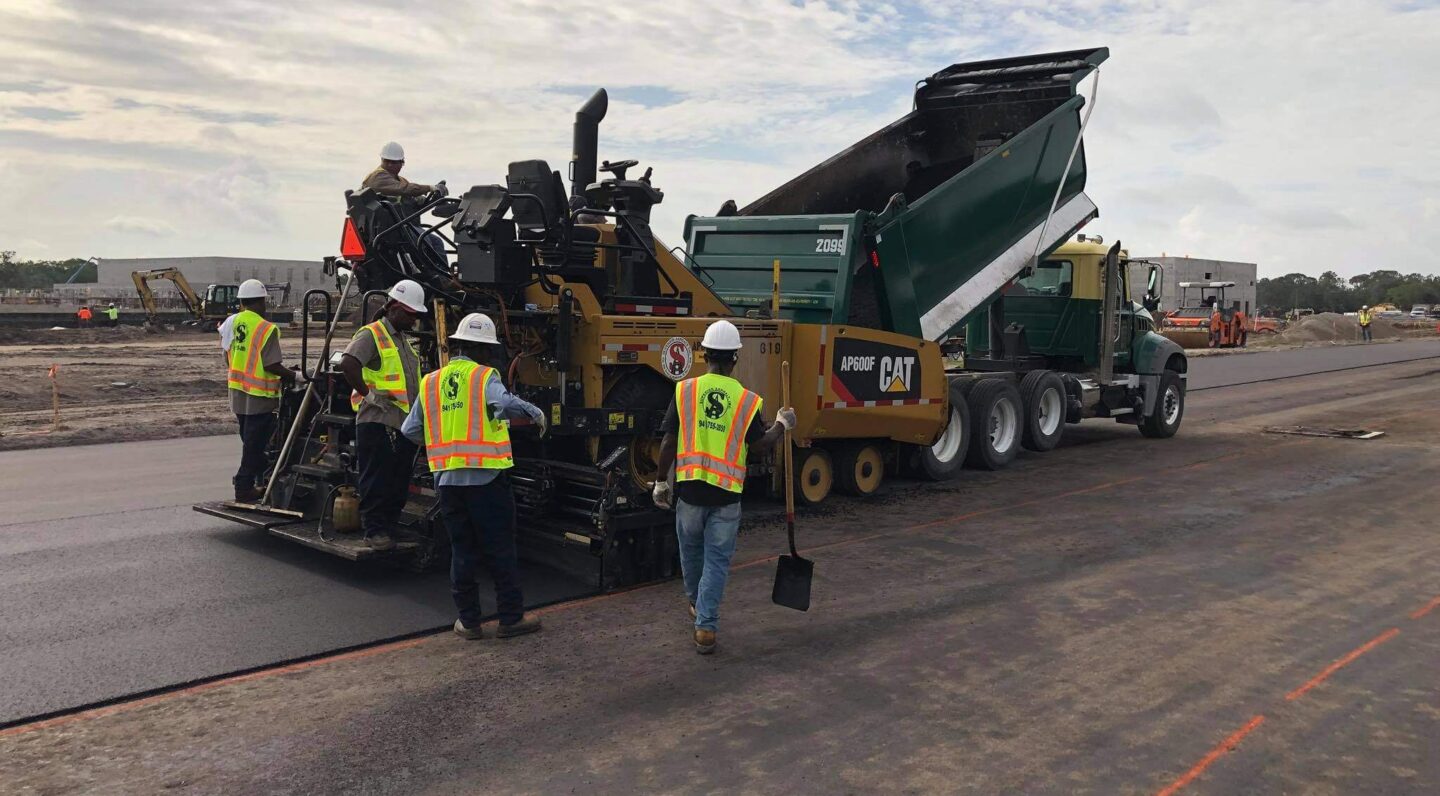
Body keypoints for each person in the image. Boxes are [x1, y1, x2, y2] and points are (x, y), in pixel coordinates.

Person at [653, 320, 796, 655]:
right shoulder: (748, 401)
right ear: (735, 358)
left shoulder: (684, 390)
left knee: (690, 553)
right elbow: (760, 445)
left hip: (689, 491)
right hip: (727, 496)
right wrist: (782, 423)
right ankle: (705, 628)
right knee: (717, 561)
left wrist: (661, 481)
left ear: (704, 355)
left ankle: (696, 602)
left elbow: (669, 440)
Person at [401, 312, 547, 640]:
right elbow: (505, 403)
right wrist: (536, 413)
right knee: (499, 548)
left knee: (462, 549)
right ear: (482, 350)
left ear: (457, 346)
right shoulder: (484, 377)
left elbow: (409, 430)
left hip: (448, 483)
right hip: (487, 481)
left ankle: (469, 622)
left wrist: (444, 438)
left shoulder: (431, 382)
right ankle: (511, 618)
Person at [338, 279, 427, 551]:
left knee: (398, 479)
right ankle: (375, 530)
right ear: (394, 308)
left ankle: (389, 526)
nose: (414, 321)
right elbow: (348, 363)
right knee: (377, 476)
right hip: (378, 420)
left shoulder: (402, 339)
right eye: (410, 315)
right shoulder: (372, 334)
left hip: (403, 422)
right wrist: (368, 394)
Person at [221, 279, 300, 502]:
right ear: (262, 301)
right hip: (259, 394)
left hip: (237, 390)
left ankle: (261, 479)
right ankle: (244, 486)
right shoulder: (266, 328)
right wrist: (295, 375)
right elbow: (270, 365)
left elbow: (227, 354)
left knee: (249, 439)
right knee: (255, 443)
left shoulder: (231, 322)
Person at [361, 141, 449, 264]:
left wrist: (429, 199)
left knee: (436, 242)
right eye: (387, 161)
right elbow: (404, 189)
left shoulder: (399, 180)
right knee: (424, 240)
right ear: (381, 160)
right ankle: (432, 276)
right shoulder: (376, 177)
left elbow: (410, 199)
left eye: (394, 162)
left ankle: (446, 278)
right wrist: (430, 187)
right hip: (387, 230)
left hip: (404, 227)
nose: (390, 165)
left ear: (402, 163)